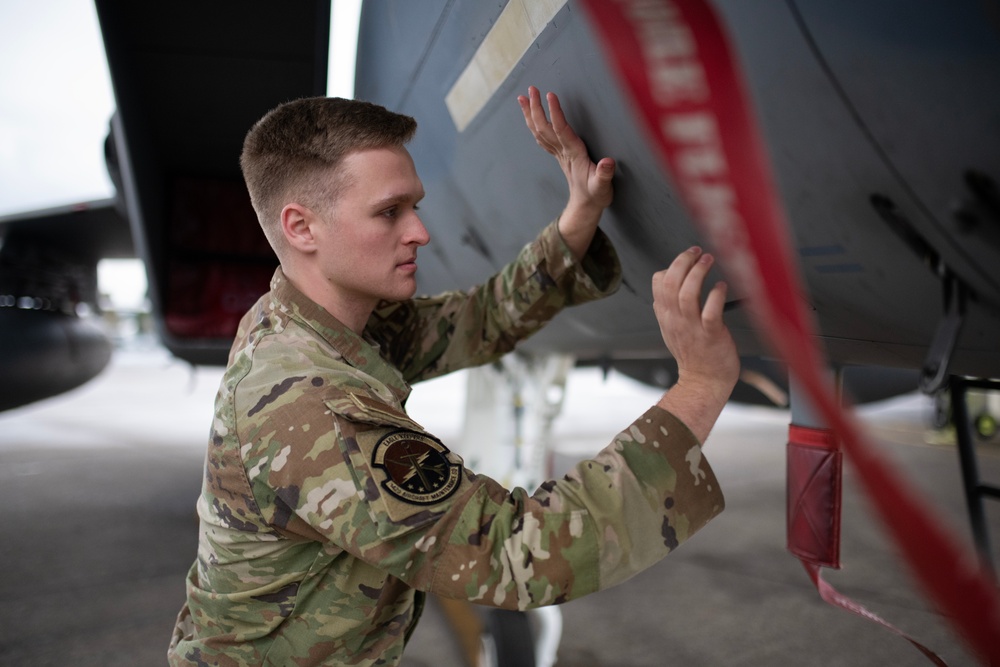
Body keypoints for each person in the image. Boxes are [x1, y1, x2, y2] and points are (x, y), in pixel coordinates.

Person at [168, 86, 739, 666]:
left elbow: (476, 321)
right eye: (389, 212)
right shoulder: (308, 402)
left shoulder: (306, 321)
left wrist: (579, 218)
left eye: (414, 206)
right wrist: (702, 383)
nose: (420, 231)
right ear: (301, 227)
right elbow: (516, 553)